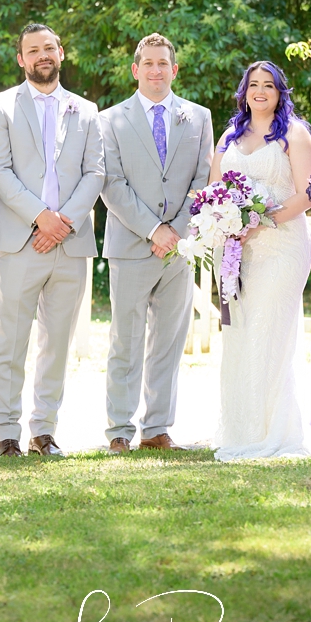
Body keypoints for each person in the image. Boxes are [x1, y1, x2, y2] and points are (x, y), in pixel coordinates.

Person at [0, 24, 105, 457]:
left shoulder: (86, 110)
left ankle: (43, 431)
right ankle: (6, 433)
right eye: (32, 50)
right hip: (21, 241)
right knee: (10, 340)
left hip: (70, 244)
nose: (42, 56)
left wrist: (65, 221)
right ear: (20, 59)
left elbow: (95, 172)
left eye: (48, 48)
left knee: (57, 343)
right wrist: (40, 218)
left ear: (61, 53)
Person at [98, 33, 215, 452]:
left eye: (163, 63)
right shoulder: (110, 119)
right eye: (148, 63)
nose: (155, 70)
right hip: (131, 245)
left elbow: (202, 180)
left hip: (179, 250)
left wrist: (177, 231)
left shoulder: (198, 117)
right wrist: (153, 229)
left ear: (174, 69)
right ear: (135, 70)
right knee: (124, 341)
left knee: (168, 341)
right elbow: (111, 184)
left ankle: (157, 429)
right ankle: (118, 431)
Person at [209, 61, 311, 461]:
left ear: (279, 92)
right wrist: (225, 221)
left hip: (282, 246)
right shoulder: (228, 138)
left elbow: (309, 193)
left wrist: (260, 219)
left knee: (267, 331)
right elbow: (213, 192)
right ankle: (244, 428)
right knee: (240, 334)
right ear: (244, 91)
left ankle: (274, 430)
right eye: (253, 84)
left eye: (268, 85)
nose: (260, 91)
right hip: (238, 252)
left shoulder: (293, 134)